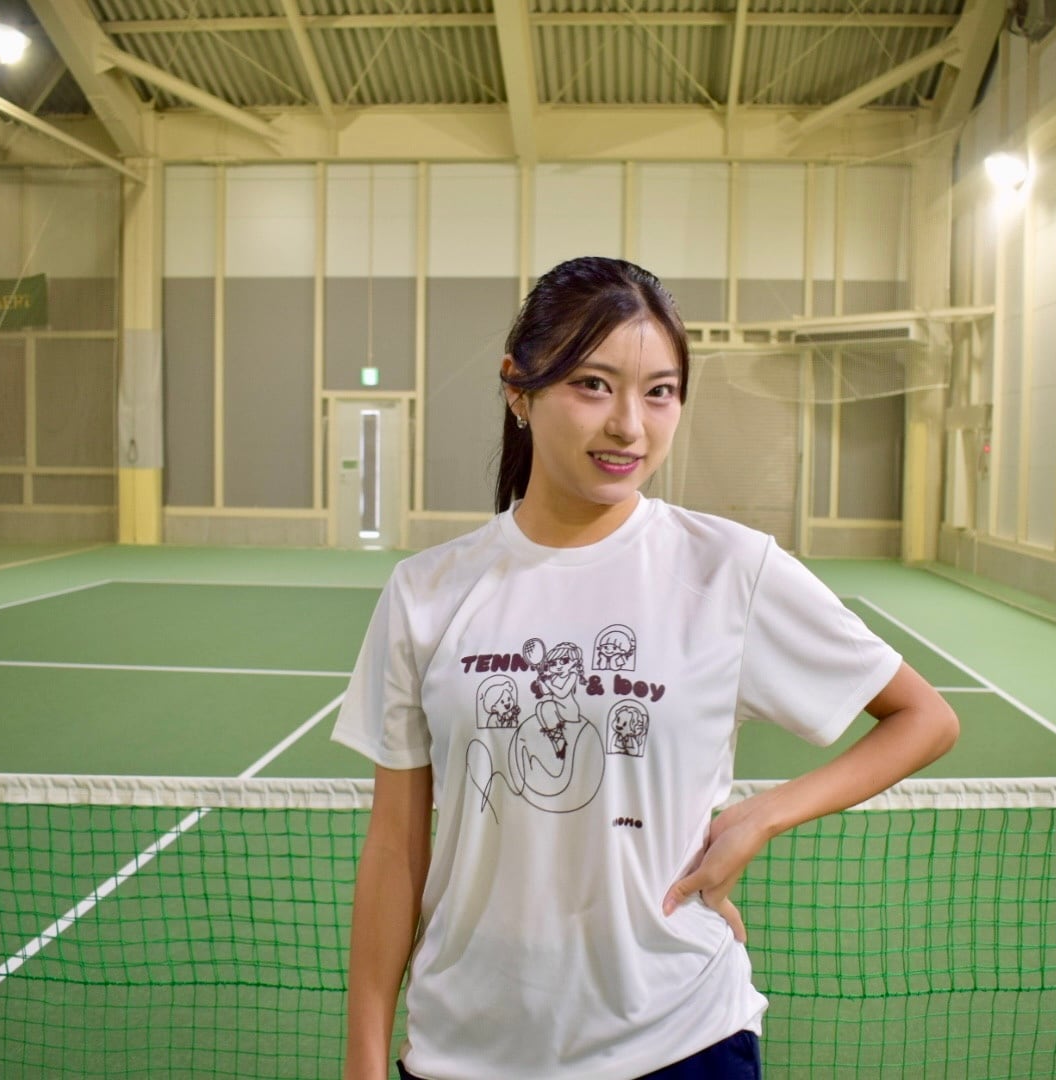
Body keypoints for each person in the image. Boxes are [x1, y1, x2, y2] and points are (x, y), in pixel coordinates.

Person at [333, 256, 959, 1080]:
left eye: (660, 392)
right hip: (464, 1050)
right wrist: (365, 1058)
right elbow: (395, 846)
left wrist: (762, 816)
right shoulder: (426, 592)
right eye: (593, 385)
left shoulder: (728, 569)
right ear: (518, 388)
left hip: (681, 1041)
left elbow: (924, 719)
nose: (629, 426)